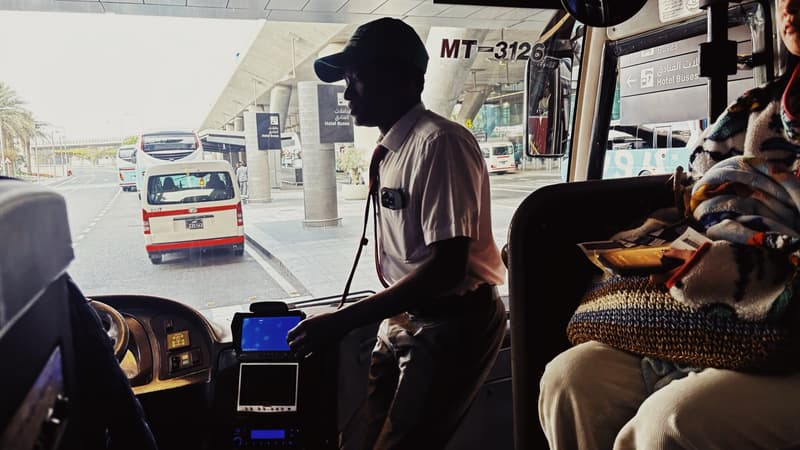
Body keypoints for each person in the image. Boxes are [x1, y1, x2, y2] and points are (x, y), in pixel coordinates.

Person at [538, 1, 800, 448]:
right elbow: (706, 200)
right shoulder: (754, 112)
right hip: (721, 310)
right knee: (571, 378)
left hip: (786, 320)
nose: (790, 5)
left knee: (671, 424)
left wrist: (746, 267)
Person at [286, 17, 507, 450]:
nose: (347, 93)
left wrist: (344, 320)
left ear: (400, 78)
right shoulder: (392, 149)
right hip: (407, 315)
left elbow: (446, 269)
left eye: (357, 79)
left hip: (454, 322)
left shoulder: (439, 144)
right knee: (361, 438)